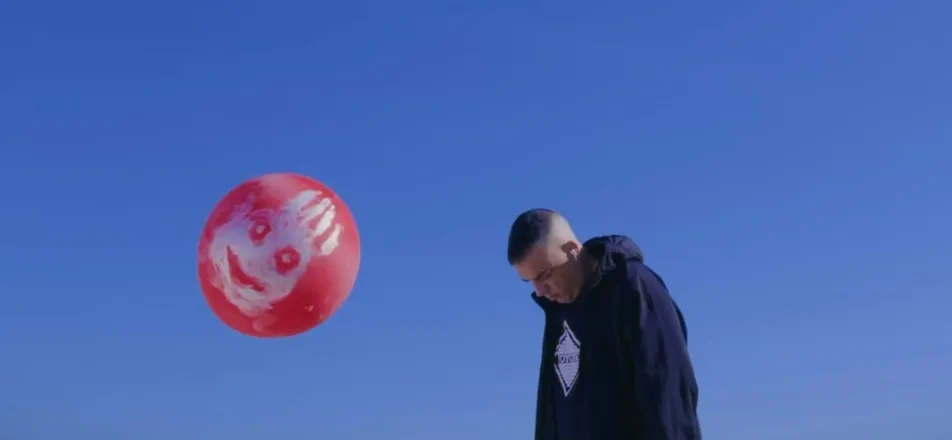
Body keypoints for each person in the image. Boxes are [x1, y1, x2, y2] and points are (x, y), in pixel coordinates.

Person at [507, 208, 702, 440]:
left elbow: (670, 404)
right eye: (530, 281)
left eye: (544, 275)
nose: (539, 291)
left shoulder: (635, 289)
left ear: (571, 250)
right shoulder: (558, 313)